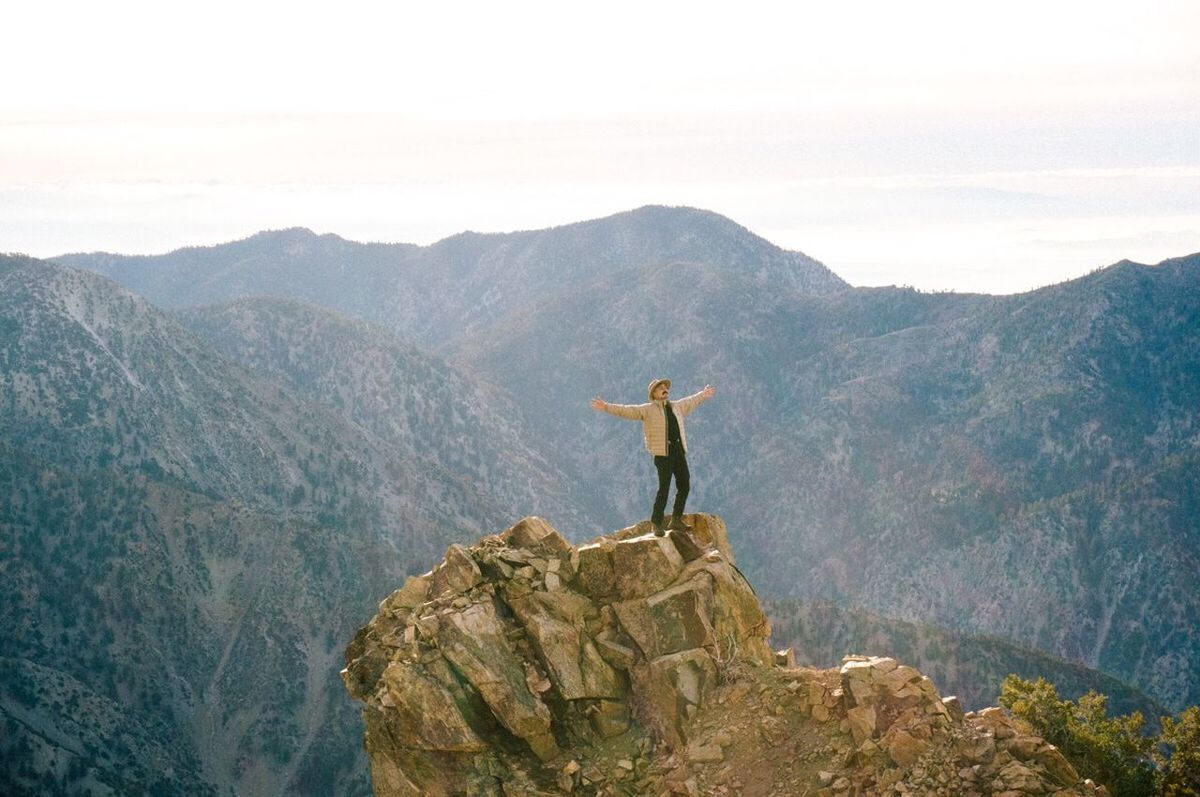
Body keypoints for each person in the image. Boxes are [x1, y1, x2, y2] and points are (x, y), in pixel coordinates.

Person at [590, 379, 716, 536]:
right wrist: (606, 407)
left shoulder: (676, 407)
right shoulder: (647, 410)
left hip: (678, 452)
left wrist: (703, 395)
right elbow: (627, 410)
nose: (665, 390)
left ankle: (676, 520)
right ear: (654, 394)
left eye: (665, 388)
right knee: (664, 489)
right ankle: (656, 523)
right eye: (661, 388)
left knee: (684, 485)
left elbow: (691, 400)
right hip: (663, 455)